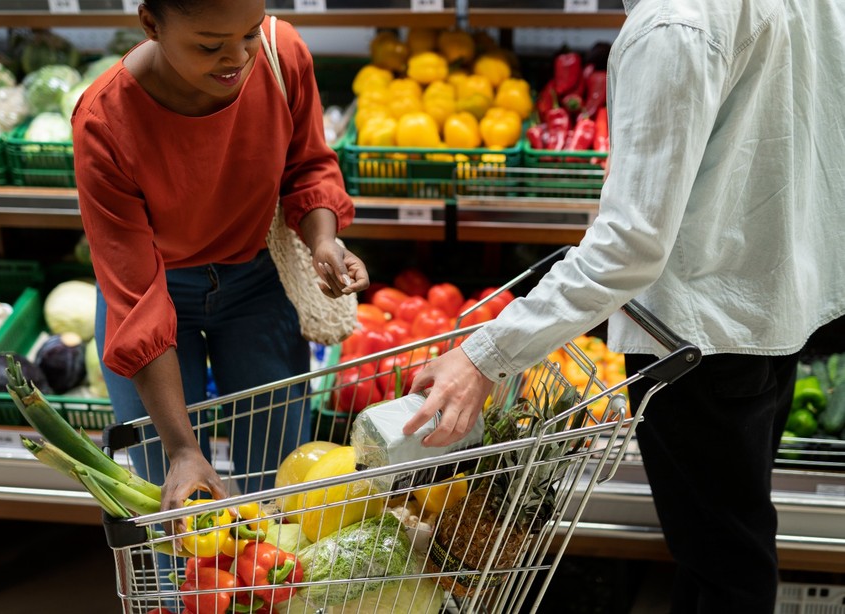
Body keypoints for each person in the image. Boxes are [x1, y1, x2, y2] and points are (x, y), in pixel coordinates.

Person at [404, 1, 845, 612]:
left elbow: (629, 247)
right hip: (771, 308)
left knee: (726, 567)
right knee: (726, 549)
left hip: (696, 337)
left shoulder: (673, 25)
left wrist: (486, 355)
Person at [72, 0, 368, 517]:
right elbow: (137, 298)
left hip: (260, 284)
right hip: (154, 293)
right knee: (175, 503)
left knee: (279, 489)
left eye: (249, 34)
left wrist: (322, 238)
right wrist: (183, 451)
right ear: (150, 24)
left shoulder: (282, 54)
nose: (238, 58)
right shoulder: (105, 121)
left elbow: (310, 166)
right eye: (210, 45)